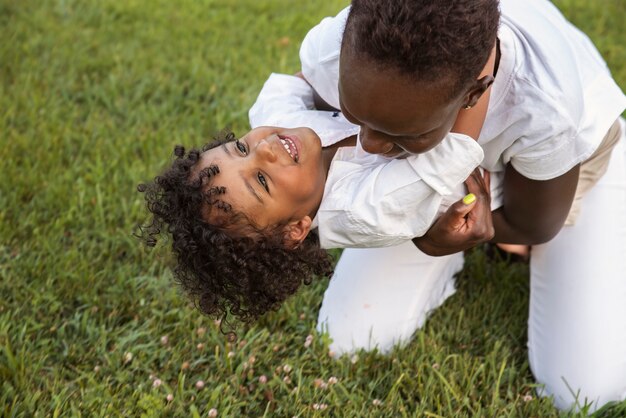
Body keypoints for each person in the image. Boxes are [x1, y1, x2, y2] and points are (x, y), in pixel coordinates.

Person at [249, 0, 626, 412]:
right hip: (455, 164)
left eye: (401, 132)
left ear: (474, 93)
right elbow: (308, 100)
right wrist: (419, 220)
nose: (369, 145)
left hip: (568, 169)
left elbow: (532, 222)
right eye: (356, 114)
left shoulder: (548, 106)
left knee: (583, 391)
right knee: (350, 339)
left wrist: (440, 235)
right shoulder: (345, 42)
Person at [137, 71, 490, 326]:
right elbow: (459, 139)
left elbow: (313, 69)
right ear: (295, 229)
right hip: (490, 159)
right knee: (348, 337)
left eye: (240, 147)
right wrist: (478, 53)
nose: (264, 147)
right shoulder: (367, 210)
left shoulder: (274, 124)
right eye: (261, 179)